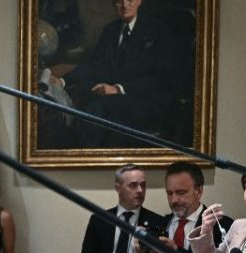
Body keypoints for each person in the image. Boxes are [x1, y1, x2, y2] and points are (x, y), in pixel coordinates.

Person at [48, 0, 180, 148]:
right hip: (117, 101)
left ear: (138, 1)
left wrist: (118, 89)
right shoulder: (111, 31)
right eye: (119, 1)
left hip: (147, 100)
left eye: (129, 0)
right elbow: (94, 65)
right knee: (84, 96)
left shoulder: (158, 30)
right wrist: (63, 81)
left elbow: (161, 79)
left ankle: (71, 151)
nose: (124, 5)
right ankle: (71, 150)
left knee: (99, 109)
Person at [78, 163, 166, 253]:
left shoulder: (156, 222)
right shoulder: (100, 220)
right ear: (118, 188)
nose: (140, 190)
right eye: (133, 185)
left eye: (143, 185)